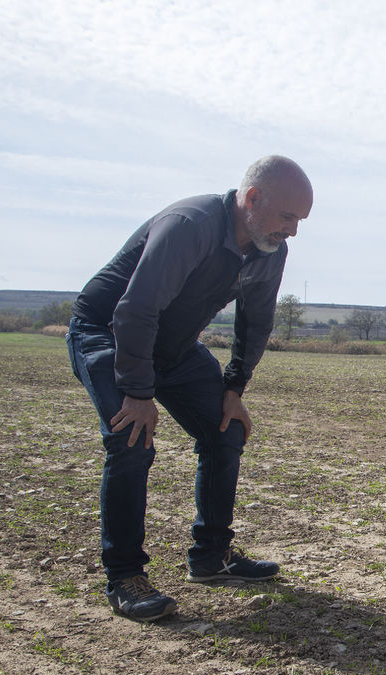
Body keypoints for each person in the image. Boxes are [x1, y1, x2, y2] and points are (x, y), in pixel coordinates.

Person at [66, 155, 313, 622]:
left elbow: (255, 322)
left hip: (174, 347)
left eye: (300, 221)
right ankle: (125, 578)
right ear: (253, 198)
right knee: (130, 437)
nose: (292, 231)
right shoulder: (190, 225)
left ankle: (211, 556)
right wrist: (138, 394)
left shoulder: (269, 250)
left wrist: (234, 386)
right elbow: (134, 310)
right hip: (106, 332)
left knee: (227, 427)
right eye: (287, 217)